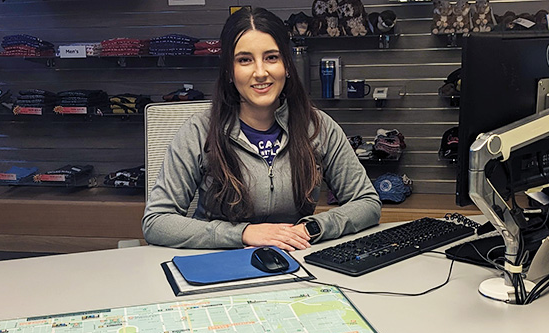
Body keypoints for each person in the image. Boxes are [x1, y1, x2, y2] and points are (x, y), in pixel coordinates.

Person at [143, 7, 381, 251]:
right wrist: (243, 233)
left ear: (287, 66)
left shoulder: (319, 127)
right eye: (244, 60)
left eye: (271, 57)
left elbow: (367, 203)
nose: (260, 73)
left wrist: (312, 228)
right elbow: (157, 222)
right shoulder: (198, 131)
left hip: (297, 261)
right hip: (219, 264)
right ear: (228, 70)